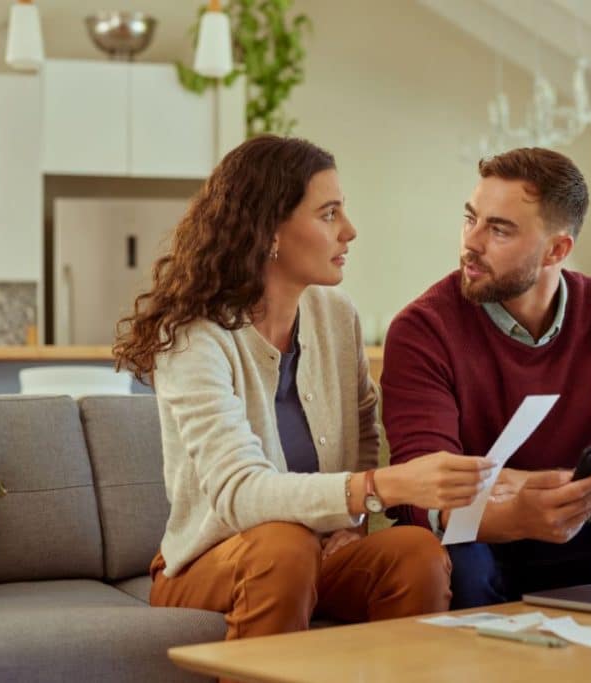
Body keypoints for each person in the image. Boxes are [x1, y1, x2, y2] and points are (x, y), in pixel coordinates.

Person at [113, 135, 492, 639]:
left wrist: (352, 524)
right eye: (329, 214)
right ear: (270, 230)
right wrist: (380, 487)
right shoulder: (194, 338)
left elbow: (362, 433)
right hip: (213, 561)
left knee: (418, 555)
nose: (350, 232)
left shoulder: (336, 315)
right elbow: (240, 492)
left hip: (321, 552)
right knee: (283, 548)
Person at [381, 146, 591, 609]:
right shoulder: (423, 329)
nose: (471, 243)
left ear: (557, 249)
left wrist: (563, 494)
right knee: (456, 563)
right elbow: (419, 489)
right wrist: (516, 512)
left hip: (579, 531)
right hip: (474, 536)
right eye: (471, 219)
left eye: (498, 229)